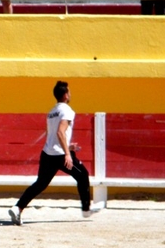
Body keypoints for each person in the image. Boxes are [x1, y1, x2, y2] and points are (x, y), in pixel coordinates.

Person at [8, 81, 99, 226]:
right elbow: (60, 132)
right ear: (65, 95)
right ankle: (86, 209)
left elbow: (53, 135)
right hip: (60, 155)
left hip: (47, 153)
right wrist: (67, 153)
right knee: (83, 175)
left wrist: (68, 146)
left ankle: (17, 208)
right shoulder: (67, 110)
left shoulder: (51, 112)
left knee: (40, 184)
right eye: (69, 92)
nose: (70, 94)